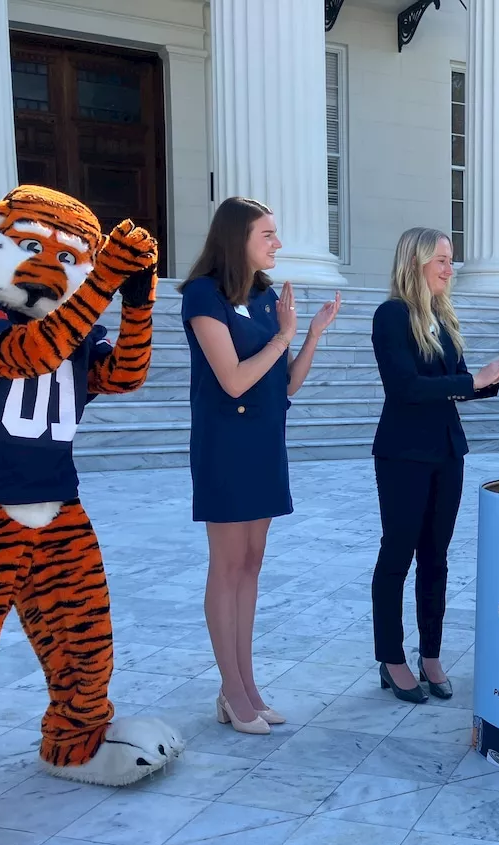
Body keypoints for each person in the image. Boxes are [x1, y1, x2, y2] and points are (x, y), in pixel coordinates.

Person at [180, 197, 341, 734]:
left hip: (266, 441)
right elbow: (233, 380)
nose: (277, 244)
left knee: (251, 565)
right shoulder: (204, 295)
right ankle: (231, 689)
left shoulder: (266, 296)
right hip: (225, 445)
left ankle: (247, 687)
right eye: (267, 235)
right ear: (236, 238)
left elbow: (285, 384)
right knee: (226, 567)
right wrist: (283, 337)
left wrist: (310, 334)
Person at [371, 227, 499, 703]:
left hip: (446, 451)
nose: (448, 268)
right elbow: (406, 388)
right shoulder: (391, 315)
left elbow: (453, 384)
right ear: (415, 262)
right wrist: (471, 379)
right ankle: (391, 657)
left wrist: (489, 379)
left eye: (450, 260)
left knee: (436, 558)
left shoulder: (441, 316)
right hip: (403, 453)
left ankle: (431, 653)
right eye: (441, 259)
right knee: (398, 555)